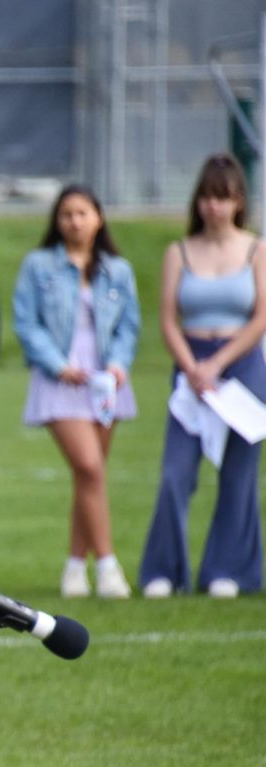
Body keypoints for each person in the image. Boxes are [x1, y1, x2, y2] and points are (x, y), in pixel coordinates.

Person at [139, 153, 266, 598]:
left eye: (224, 198)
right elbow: (168, 319)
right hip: (191, 369)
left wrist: (220, 361)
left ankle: (228, 571)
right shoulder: (179, 252)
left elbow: (260, 318)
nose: (215, 207)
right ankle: (164, 571)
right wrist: (193, 366)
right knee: (176, 471)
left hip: (243, 365)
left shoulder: (256, 249)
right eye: (208, 198)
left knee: (238, 473)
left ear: (238, 201)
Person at [13, 184, 140, 599]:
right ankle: (107, 567)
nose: (74, 221)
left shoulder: (117, 270)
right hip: (61, 379)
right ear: (57, 220)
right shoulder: (39, 266)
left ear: (98, 218)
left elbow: (129, 325)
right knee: (89, 467)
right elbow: (26, 322)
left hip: (104, 382)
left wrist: (119, 363)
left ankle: (73, 567)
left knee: (91, 477)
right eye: (67, 214)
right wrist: (56, 364)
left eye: (82, 213)